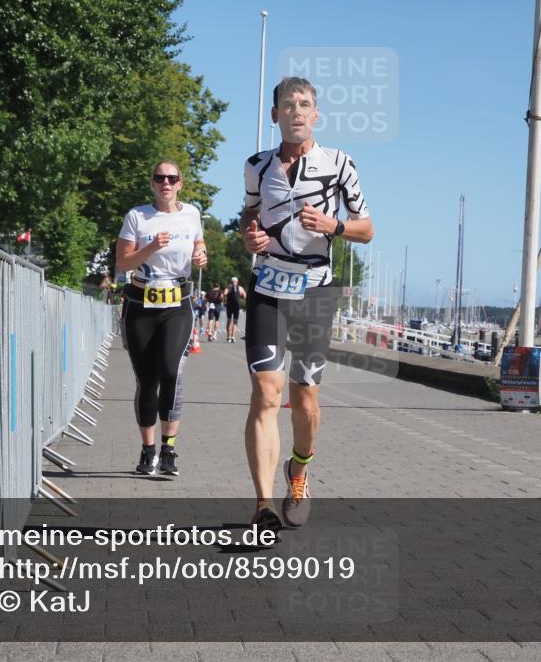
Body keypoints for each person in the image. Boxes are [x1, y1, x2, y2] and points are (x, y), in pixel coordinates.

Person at [240, 77, 374, 530]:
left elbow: (367, 228)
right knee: (265, 392)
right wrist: (250, 233)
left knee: (305, 397)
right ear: (274, 115)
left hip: (316, 290)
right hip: (267, 287)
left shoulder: (339, 164)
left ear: (316, 115)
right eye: (288, 105)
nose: (297, 111)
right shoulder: (257, 166)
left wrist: (333, 226)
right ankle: (262, 505)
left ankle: (299, 468)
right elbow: (250, 212)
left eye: (305, 105)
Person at [116, 161, 208, 477]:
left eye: (172, 178)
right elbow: (122, 261)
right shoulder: (137, 217)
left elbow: (198, 242)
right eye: (160, 178)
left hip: (176, 304)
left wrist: (201, 254)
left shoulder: (192, 214)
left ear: (180, 184)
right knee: (147, 381)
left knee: (170, 371)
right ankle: (147, 450)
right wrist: (152, 246)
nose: (166, 183)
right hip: (141, 303)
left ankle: (169, 450)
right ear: (152, 184)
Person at [223, 276, 246, 343]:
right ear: (237, 281)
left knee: (229, 320)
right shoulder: (241, 288)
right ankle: (233, 337)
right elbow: (245, 296)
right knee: (235, 321)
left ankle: (228, 337)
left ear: (231, 281)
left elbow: (225, 294)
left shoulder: (228, 287)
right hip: (237, 306)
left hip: (229, 306)